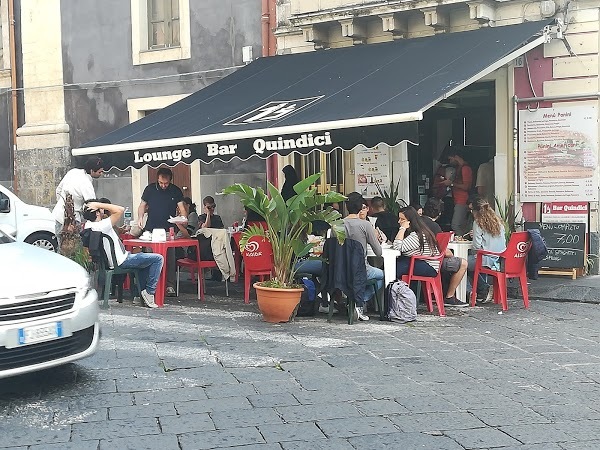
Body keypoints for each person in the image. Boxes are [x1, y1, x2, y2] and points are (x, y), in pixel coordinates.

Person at [83, 200, 163, 308]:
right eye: (100, 209)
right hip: (122, 260)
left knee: (143, 262)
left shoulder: (89, 226)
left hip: (113, 261)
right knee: (158, 258)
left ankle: (138, 296)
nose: (103, 210)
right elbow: (120, 209)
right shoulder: (101, 225)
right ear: (97, 213)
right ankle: (149, 292)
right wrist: (98, 204)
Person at [137, 167, 187, 297]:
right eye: (161, 183)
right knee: (149, 257)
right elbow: (142, 205)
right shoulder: (150, 189)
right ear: (157, 180)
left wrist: (183, 218)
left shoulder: (175, 190)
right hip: (150, 229)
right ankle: (150, 285)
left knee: (169, 258)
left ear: (170, 180)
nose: (163, 186)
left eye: (166, 183)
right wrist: (140, 218)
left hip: (168, 229)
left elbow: (182, 208)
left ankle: (169, 285)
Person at [343, 193, 384, 321]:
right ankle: (360, 302)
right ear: (361, 207)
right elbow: (378, 252)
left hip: (340, 271)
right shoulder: (365, 225)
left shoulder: (336, 225)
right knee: (381, 275)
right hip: (361, 270)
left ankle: (352, 302)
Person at [421, 198, 468, 306]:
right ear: (440, 213)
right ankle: (450, 296)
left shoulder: (417, 221)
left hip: (417, 259)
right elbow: (443, 251)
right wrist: (451, 254)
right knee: (463, 263)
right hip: (431, 261)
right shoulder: (434, 227)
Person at [52, 156, 104, 243]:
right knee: (75, 249)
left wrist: (62, 204)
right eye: (100, 172)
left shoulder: (73, 172)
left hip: (59, 215)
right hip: (73, 219)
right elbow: (92, 206)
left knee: (61, 247)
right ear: (92, 171)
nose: (101, 174)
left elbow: (58, 190)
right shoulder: (86, 184)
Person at [468, 197, 507, 302]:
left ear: (476, 211)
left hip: (486, 258)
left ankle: (475, 291)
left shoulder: (478, 222)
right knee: (469, 263)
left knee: (462, 264)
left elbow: (476, 246)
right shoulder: (498, 220)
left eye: (471, 210)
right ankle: (481, 290)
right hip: (500, 259)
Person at [442, 148, 473, 235]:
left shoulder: (465, 168)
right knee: (461, 225)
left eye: (450, 159)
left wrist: (451, 184)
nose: (450, 161)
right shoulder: (460, 168)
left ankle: (462, 242)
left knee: (455, 225)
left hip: (462, 200)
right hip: (458, 200)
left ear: (456, 157)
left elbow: (467, 186)